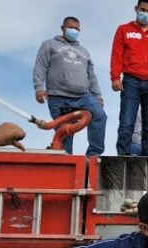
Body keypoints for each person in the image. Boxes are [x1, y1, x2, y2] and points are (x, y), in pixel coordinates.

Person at [33, 16, 107, 156]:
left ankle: (93, 155)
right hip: (58, 97)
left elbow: (91, 76)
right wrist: (39, 88)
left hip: (83, 97)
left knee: (100, 116)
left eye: (77, 29)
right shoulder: (49, 44)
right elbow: (40, 66)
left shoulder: (84, 51)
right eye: (71, 28)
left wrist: (97, 96)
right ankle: (67, 163)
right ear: (63, 28)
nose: (74, 31)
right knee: (65, 134)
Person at [111, 0, 148, 156]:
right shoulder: (124, 30)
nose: (145, 13)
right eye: (143, 9)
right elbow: (116, 54)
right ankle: (122, 158)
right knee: (126, 123)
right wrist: (115, 77)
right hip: (131, 81)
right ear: (136, 9)